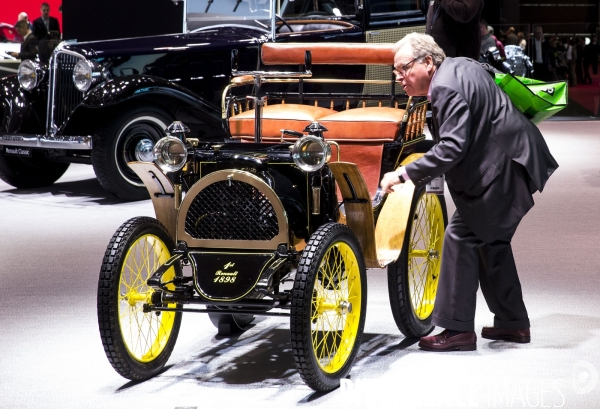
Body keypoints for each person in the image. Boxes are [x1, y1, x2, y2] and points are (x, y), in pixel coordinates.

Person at [380, 33, 558, 352]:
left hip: (502, 168)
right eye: (395, 71)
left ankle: (457, 329)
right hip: (511, 159)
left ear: (427, 62)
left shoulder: (445, 87)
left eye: (403, 68)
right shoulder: (459, 65)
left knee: (461, 236)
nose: (399, 77)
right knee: (492, 242)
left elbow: (451, 148)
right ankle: (513, 323)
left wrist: (404, 173)